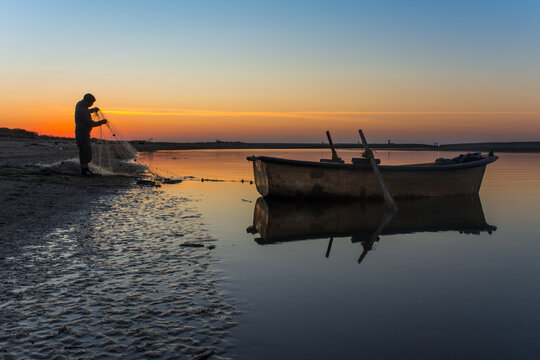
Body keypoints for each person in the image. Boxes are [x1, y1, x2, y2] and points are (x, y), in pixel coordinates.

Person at [75, 93, 107, 176]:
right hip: (82, 133)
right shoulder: (82, 110)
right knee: (85, 151)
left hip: (83, 133)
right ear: (86, 101)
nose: (92, 104)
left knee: (86, 151)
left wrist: (92, 110)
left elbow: (86, 111)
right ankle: (84, 171)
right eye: (91, 103)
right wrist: (101, 122)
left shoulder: (80, 105)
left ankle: (85, 170)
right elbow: (90, 123)